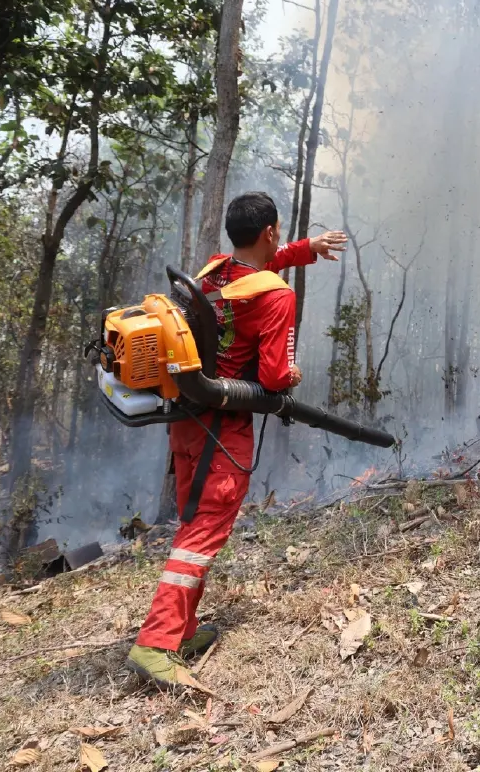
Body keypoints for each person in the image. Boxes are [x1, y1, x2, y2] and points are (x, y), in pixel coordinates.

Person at [127, 192, 347, 686]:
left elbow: (262, 266)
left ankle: (181, 631)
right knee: (204, 530)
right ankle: (156, 643)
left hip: (185, 419)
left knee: (193, 522)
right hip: (223, 429)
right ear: (269, 232)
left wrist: (306, 248)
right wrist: (290, 375)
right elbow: (270, 377)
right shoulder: (276, 297)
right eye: (279, 234)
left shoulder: (211, 271)